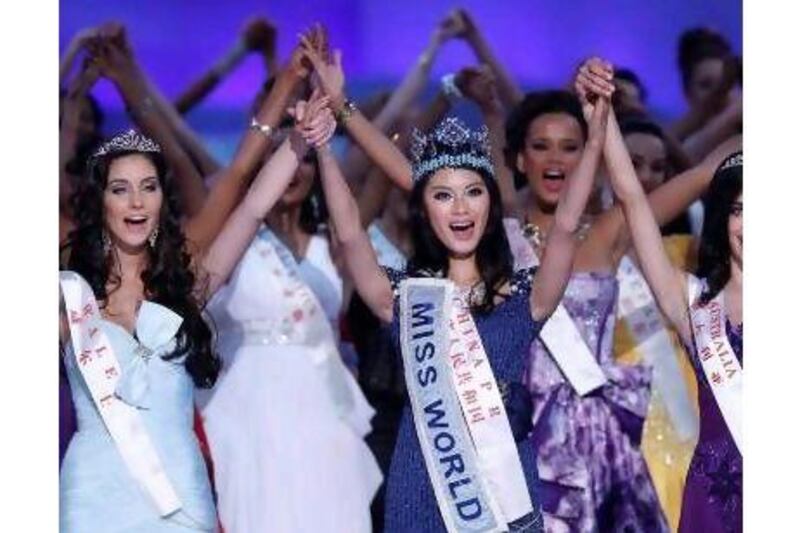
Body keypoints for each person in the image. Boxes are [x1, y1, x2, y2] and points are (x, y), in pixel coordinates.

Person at [304, 29, 612, 527]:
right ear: (424, 211)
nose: (461, 207)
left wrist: (596, 135)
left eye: (473, 192)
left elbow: (566, 226)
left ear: (492, 206)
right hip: (420, 484)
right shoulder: (405, 299)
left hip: (504, 489)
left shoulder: (525, 296)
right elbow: (350, 235)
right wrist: (323, 144)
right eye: (443, 196)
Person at [59, 68, 335, 531]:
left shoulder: (186, 286)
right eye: (120, 189)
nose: (136, 203)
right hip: (93, 494)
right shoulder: (68, 297)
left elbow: (250, 207)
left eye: (149, 187)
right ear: (99, 201)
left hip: (180, 493)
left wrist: (300, 143)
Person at [197, 117, 382, 532]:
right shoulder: (231, 239)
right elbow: (184, 152)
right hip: (251, 403)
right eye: (282, 157)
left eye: (304, 158)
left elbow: (371, 185)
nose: (295, 169)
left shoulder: (329, 243)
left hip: (324, 404)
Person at [595, 55, 742, 530]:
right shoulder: (693, 302)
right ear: (724, 219)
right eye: (740, 209)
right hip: (712, 499)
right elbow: (634, 202)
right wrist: (603, 114)